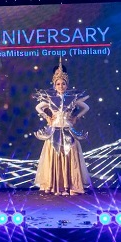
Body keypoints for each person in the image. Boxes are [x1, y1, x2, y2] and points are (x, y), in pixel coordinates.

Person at [33, 59, 91, 195]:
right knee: (55, 157)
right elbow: (38, 107)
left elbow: (86, 107)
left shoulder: (72, 97)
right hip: (54, 130)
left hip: (68, 130)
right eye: (58, 84)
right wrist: (47, 117)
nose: (61, 86)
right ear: (54, 85)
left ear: (67, 85)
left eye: (63, 84)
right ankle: (55, 186)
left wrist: (76, 117)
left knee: (70, 158)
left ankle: (70, 186)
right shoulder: (50, 98)